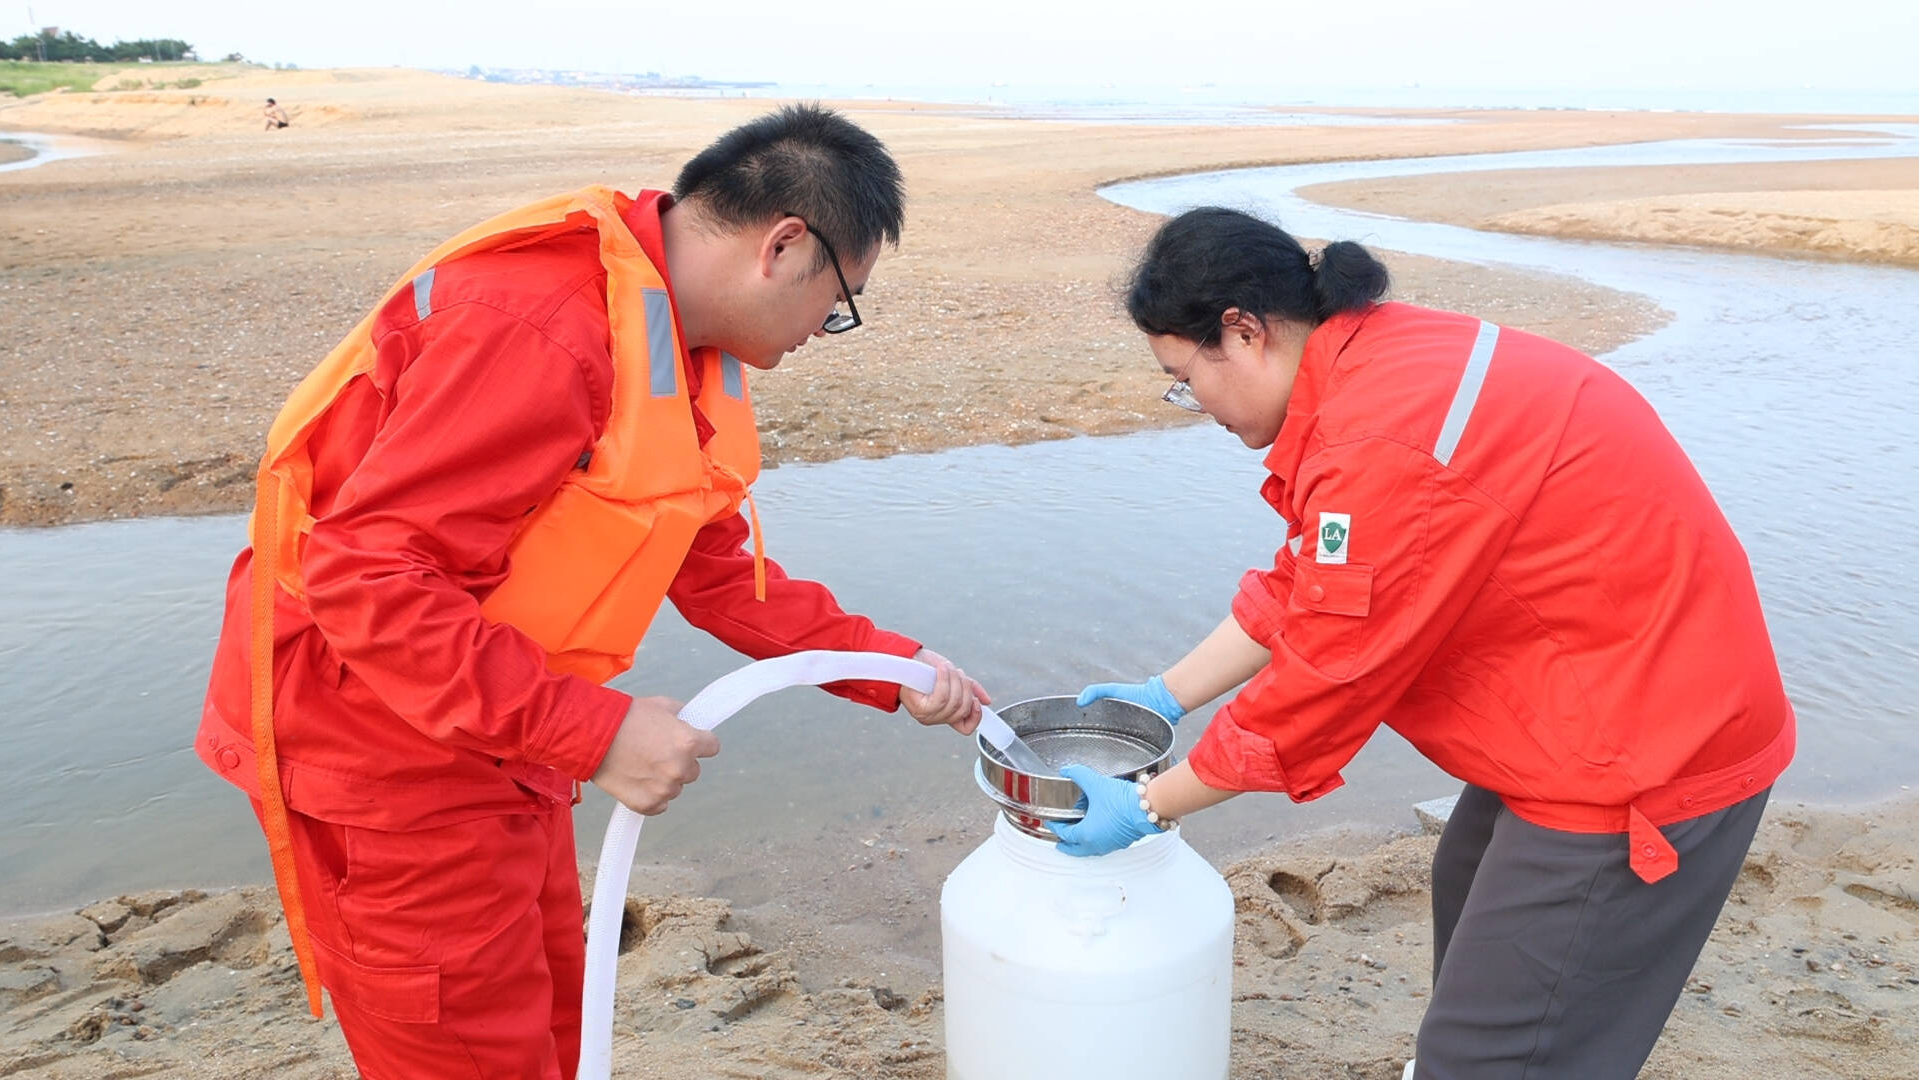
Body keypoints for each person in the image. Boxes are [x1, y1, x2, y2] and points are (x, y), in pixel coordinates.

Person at [193, 104, 990, 1078]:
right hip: (381, 744)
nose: (826, 333)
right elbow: (367, 577)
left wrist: (889, 667)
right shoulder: (543, 329)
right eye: (838, 304)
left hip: (504, 727)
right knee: (467, 1046)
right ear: (784, 245)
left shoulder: (679, 346)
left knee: (551, 1023)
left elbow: (721, 574)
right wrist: (598, 732)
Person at [1052, 207, 1794, 1080]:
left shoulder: (1384, 436)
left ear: (1243, 331)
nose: (1190, 404)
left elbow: (1326, 680)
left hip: (1644, 754)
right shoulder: (1373, 361)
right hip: (1592, 696)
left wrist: (1147, 806)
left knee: (1489, 1055)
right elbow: (1314, 582)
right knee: (1466, 886)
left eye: (1183, 377)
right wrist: (1165, 693)